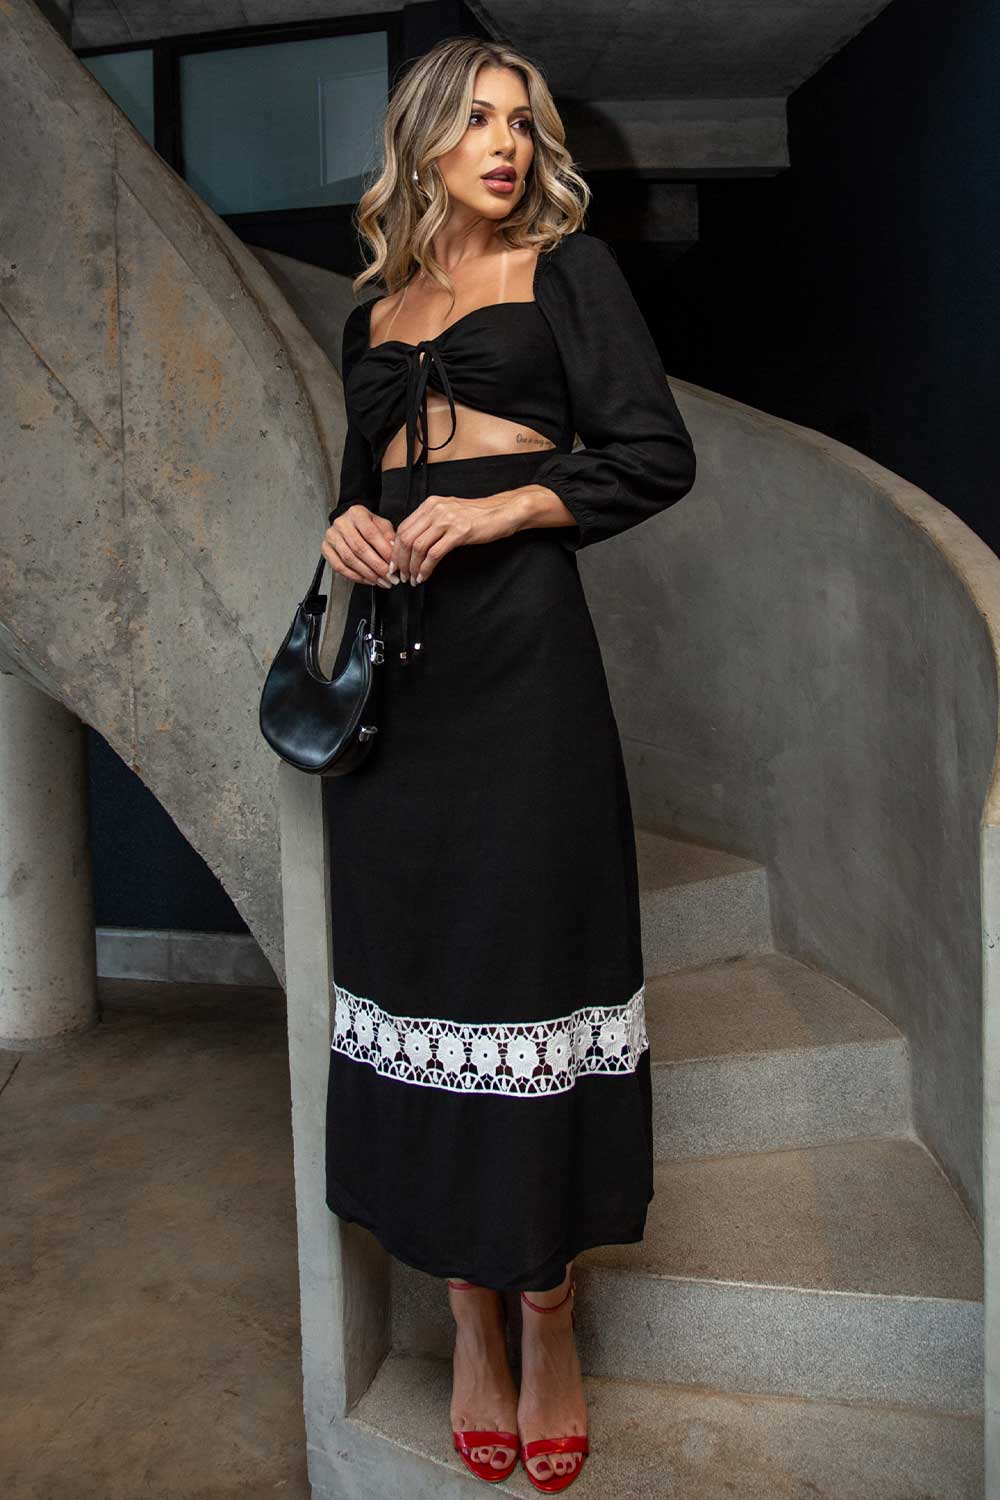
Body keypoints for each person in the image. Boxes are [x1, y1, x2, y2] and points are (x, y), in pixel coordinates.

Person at [320, 35, 697, 1494]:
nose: (505, 144)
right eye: (476, 119)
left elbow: (653, 454)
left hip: (524, 662)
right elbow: (362, 487)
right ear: (422, 139)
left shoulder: (567, 273)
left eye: (522, 124)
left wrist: (507, 508)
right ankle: (466, 1316)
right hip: (399, 682)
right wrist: (345, 527)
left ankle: (547, 1310)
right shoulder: (370, 311)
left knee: (530, 963)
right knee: (419, 969)